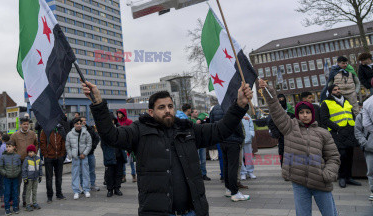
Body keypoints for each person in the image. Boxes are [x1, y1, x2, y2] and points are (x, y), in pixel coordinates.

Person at [83, 80, 253, 215]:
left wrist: (239, 106)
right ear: (151, 112)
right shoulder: (138, 131)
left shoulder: (188, 129)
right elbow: (111, 135)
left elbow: (220, 130)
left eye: (170, 106)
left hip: (193, 211)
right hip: (157, 211)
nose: (167, 111)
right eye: (161, 107)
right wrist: (98, 104)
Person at [260, 79, 340, 216]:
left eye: (308, 112)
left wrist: (328, 173)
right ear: (297, 114)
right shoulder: (290, 127)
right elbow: (276, 109)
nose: (304, 115)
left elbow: (333, 157)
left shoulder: (323, 133)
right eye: (301, 112)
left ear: (312, 114)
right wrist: (268, 91)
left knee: (330, 213)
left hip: (321, 181)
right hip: (299, 183)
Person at [320, 84, 361, 188]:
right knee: (342, 155)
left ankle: (349, 177)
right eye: (335, 90)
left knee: (350, 155)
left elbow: (352, 115)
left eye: (338, 89)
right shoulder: (326, 103)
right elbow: (324, 119)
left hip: (349, 131)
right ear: (330, 92)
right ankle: (342, 177)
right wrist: (337, 128)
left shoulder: (346, 101)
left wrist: (355, 125)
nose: (337, 91)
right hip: (337, 133)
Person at [210, 102, 248, 200]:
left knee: (226, 165)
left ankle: (228, 189)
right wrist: (241, 138)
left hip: (222, 140)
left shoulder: (215, 108)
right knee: (233, 167)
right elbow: (237, 123)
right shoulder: (230, 106)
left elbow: (212, 123)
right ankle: (234, 192)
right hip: (233, 141)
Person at [10, 117, 38, 207]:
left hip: (29, 162)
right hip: (19, 162)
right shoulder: (15, 135)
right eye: (24, 124)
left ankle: (25, 201)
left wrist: (34, 152)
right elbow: (10, 145)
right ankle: (16, 201)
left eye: (27, 124)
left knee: (27, 183)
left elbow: (36, 144)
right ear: (21, 125)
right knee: (17, 183)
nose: (26, 126)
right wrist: (15, 155)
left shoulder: (33, 134)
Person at [39, 116, 68, 202]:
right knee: (49, 178)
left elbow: (64, 142)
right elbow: (42, 142)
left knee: (59, 177)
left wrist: (62, 154)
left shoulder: (61, 129)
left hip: (59, 157)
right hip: (49, 158)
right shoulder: (45, 130)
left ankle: (59, 194)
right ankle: (49, 196)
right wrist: (46, 155)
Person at [66, 118, 92, 199]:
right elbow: (67, 146)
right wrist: (71, 155)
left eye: (80, 123)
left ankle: (86, 189)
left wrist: (84, 153)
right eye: (77, 123)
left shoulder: (86, 133)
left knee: (85, 173)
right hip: (75, 157)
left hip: (84, 156)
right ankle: (76, 191)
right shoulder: (70, 134)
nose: (79, 125)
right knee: (75, 174)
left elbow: (89, 144)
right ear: (74, 125)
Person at [101, 113, 127, 197]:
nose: (111, 122)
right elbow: (103, 145)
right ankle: (110, 189)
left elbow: (124, 141)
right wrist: (107, 153)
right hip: (110, 156)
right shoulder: (105, 131)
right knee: (109, 174)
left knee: (119, 173)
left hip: (119, 155)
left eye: (112, 120)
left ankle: (117, 188)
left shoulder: (119, 129)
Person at [268, 93, 295, 166]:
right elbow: (270, 123)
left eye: (282, 99)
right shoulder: (274, 110)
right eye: (279, 100)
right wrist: (276, 134)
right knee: (283, 153)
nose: (281, 101)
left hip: (291, 135)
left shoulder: (290, 109)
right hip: (281, 135)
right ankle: (284, 168)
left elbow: (295, 120)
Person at [354, 96, 373, 200]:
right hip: (370, 148)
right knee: (371, 171)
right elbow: (357, 131)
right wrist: (365, 143)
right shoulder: (360, 117)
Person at [0, 140, 22, 215]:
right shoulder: (3, 156)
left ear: (14, 147)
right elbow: (0, 167)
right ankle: (7, 208)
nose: (8, 148)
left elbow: (19, 166)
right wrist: (5, 173)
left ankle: (15, 207)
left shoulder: (17, 156)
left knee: (15, 192)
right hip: (7, 178)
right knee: (7, 192)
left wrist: (17, 172)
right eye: (7, 147)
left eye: (9, 146)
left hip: (15, 178)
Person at [80, 116, 100, 191]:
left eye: (85, 120)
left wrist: (93, 146)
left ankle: (92, 184)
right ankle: (83, 186)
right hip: (82, 155)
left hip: (90, 153)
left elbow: (96, 138)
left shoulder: (90, 129)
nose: (84, 122)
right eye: (82, 121)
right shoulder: (77, 130)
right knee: (82, 171)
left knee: (92, 170)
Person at [116, 109, 135, 182]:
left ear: (123, 114)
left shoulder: (129, 122)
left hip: (129, 144)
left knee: (131, 161)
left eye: (120, 113)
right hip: (120, 144)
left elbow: (133, 132)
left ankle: (133, 175)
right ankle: (123, 176)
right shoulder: (118, 122)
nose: (118, 115)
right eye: (118, 113)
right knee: (122, 161)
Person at [22, 145, 42, 211]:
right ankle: (27, 204)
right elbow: (24, 169)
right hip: (29, 179)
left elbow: (40, 168)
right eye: (29, 152)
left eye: (32, 152)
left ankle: (34, 202)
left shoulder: (38, 159)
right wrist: (25, 178)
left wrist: (40, 175)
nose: (30, 153)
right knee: (28, 191)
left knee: (34, 191)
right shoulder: (26, 159)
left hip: (35, 178)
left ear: (35, 152)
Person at [209, 105, 225, 181]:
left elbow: (211, 123)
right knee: (229, 156)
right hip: (228, 134)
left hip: (218, 134)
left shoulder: (214, 109)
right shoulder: (228, 106)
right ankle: (230, 174)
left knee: (221, 156)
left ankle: (223, 174)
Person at [240, 113, 256, 180]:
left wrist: (251, 134)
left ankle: (250, 171)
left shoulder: (247, 115)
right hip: (239, 139)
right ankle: (243, 173)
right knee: (240, 157)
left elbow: (251, 125)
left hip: (247, 139)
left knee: (248, 156)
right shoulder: (235, 114)